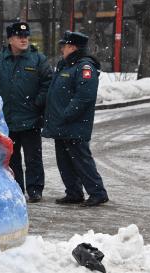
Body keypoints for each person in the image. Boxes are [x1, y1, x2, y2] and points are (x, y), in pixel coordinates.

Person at [0, 22, 53, 203]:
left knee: (33, 158)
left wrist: (38, 103)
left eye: (26, 36)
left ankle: (35, 189)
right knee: (11, 158)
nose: (24, 39)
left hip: (31, 119)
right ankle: (16, 188)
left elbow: (48, 84)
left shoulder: (38, 59)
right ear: (10, 39)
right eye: (19, 36)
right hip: (7, 120)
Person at [42, 31, 109, 207]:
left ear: (72, 47)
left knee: (81, 160)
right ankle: (73, 193)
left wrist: (66, 115)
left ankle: (97, 193)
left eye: (64, 46)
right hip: (62, 124)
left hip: (74, 124)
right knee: (64, 161)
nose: (61, 49)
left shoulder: (84, 67)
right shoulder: (66, 65)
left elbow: (84, 97)